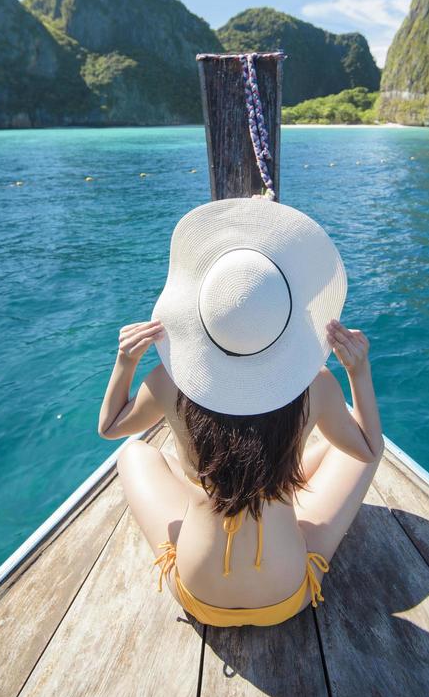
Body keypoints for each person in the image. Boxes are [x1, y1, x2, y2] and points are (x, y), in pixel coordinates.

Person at [98, 197, 384, 626]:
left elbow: (110, 428)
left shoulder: (169, 384)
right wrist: (358, 372)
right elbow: (368, 450)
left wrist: (125, 362)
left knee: (134, 454)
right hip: (288, 595)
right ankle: (279, 492)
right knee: (339, 450)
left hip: (196, 593)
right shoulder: (316, 387)